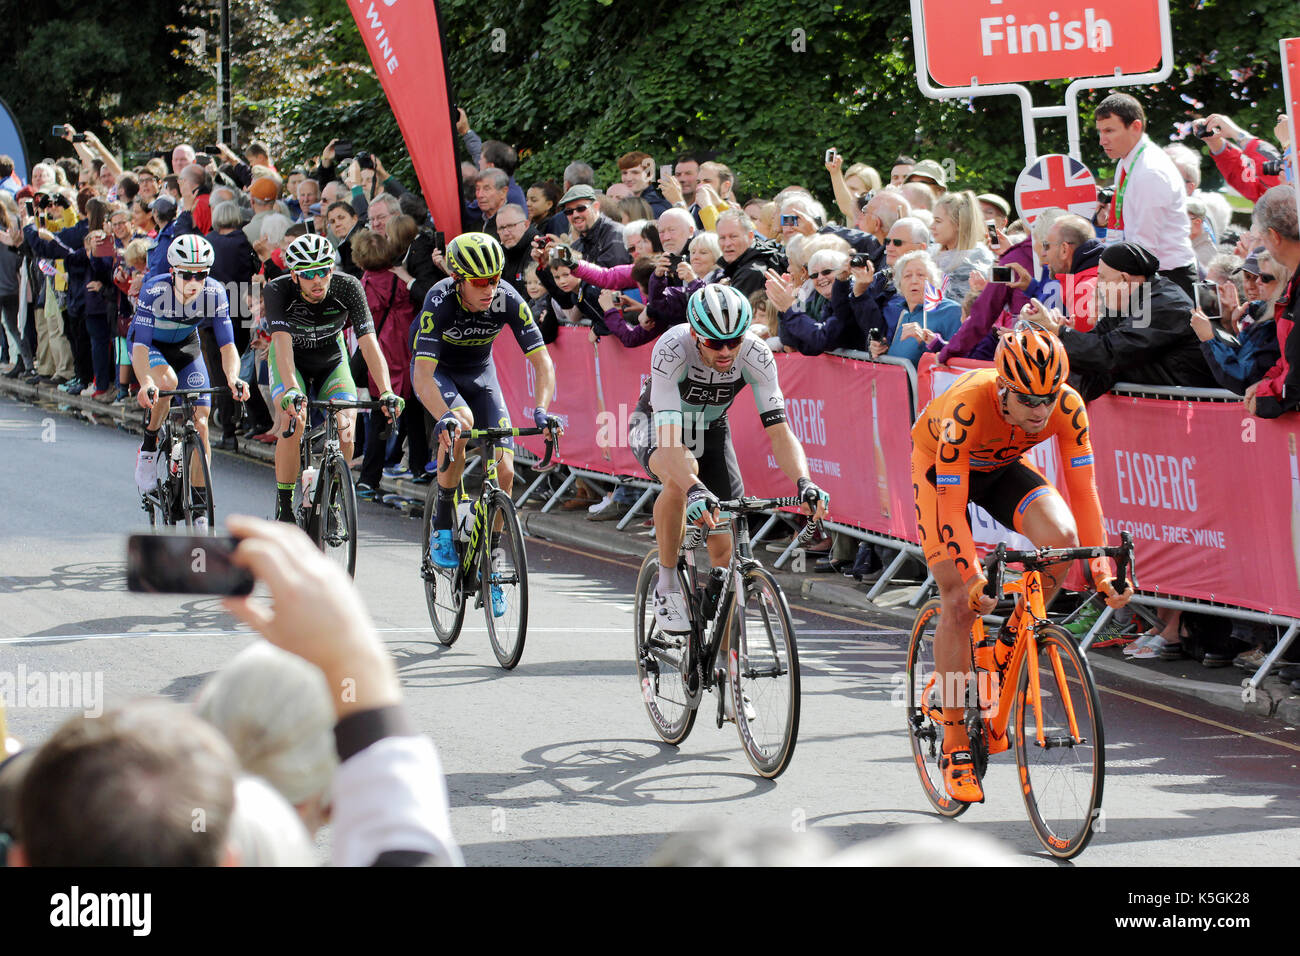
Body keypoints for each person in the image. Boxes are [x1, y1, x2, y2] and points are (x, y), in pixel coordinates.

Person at [910, 327, 1131, 803]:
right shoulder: (965, 407)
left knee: (1063, 540)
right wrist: (971, 579)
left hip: (1002, 469)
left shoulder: (1069, 406)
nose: (1039, 411)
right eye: (1028, 400)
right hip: (943, 472)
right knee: (957, 599)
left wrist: (1100, 572)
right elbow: (951, 509)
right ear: (1003, 389)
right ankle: (954, 745)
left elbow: (1084, 493)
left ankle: (1009, 639)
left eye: (1047, 398)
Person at [628, 283, 829, 666]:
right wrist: (694, 488)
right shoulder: (672, 349)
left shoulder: (756, 353)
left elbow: (779, 431)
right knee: (678, 477)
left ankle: (727, 670)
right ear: (694, 334)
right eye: (714, 343)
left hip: (712, 430)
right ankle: (668, 582)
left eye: (733, 341)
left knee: (726, 552)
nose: (725, 351)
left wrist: (805, 481)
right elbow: (672, 445)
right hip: (658, 427)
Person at [411, 233, 562, 615]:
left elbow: (543, 362)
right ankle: (443, 524)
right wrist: (443, 416)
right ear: (458, 278)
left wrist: (542, 410)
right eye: (479, 282)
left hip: (480, 376)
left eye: (494, 278)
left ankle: (491, 559)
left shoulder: (506, 297)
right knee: (459, 425)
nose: (489, 288)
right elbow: (422, 377)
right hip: (438, 374)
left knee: (506, 471)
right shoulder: (439, 300)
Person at [264, 233, 403, 522]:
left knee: (346, 426)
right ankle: (286, 504)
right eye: (309, 274)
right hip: (292, 361)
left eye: (324, 271)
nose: (318, 280)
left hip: (331, 360)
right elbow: (281, 343)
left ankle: (334, 496)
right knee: (293, 419)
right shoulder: (278, 290)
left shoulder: (348, 286)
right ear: (294, 275)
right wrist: (291, 388)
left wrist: (387, 390)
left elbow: (368, 343)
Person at [131, 235, 250, 529]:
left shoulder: (216, 293)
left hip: (186, 347)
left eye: (201, 274)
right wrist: (146, 381)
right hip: (152, 347)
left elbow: (227, 346)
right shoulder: (154, 290)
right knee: (167, 384)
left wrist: (234, 377)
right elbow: (140, 348)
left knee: (200, 422)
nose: (194, 280)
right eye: (187, 274)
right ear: (173, 272)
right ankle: (148, 448)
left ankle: (198, 505)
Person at [1026, 241, 1216, 400]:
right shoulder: (1126, 300)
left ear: (1124, 279)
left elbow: (1109, 353)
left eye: (1101, 278)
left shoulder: (1164, 304)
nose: (1097, 285)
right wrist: (1057, 336)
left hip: (1190, 410)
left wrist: (1057, 331)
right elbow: (1097, 344)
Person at [1093, 93, 1198, 299]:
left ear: (1135, 127)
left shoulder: (1149, 170)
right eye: (1100, 131)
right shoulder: (1128, 160)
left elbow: (1144, 246)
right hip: (1149, 275)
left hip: (1166, 278)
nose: (1102, 140)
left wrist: (1115, 286)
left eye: (1109, 131)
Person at [1245, 185, 1300, 419]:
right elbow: (1290, 358)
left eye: (1262, 239)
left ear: (1274, 236)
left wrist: (1267, 394)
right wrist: (1267, 382)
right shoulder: (1293, 283)